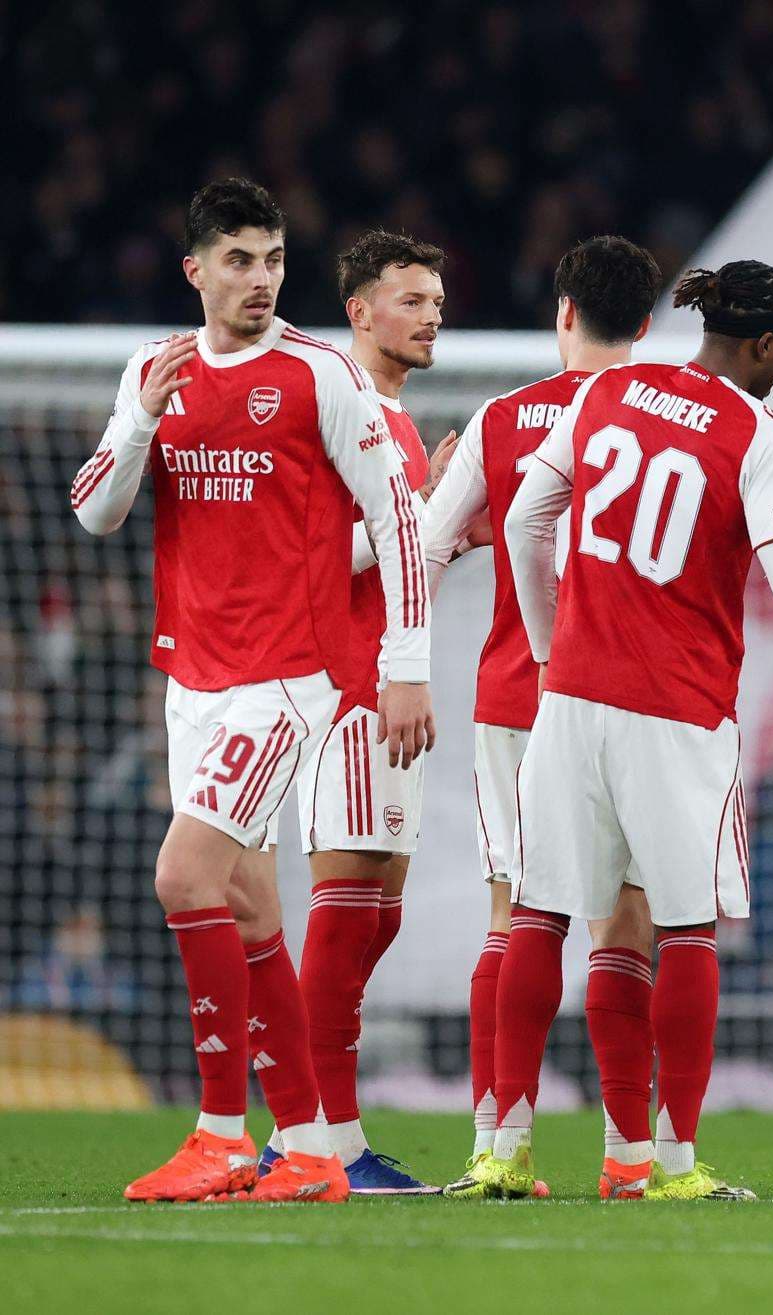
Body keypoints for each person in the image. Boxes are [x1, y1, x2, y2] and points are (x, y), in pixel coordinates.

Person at [456, 259, 773, 1202]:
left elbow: (531, 518)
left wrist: (551, 646)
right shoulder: (756, 428)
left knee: (537, 913)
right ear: (769, 343)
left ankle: (505, 1147)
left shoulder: (609, 388)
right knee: (686, 927)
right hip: (676, 708)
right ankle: (670, 1163)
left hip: (571, 696)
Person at [70, 179, 433, 1203]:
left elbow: (398, 518)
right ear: (196, 270)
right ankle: (312, 1143)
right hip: (194, 677)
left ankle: (223, 1132)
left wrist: (406, 665)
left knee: (184, 877)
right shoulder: (155, 369)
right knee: (245, 904)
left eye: (272, 258)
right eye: (238, 259)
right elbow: (96, 509)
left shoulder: (319, 374)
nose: (260, 278)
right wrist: (141, 417)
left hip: (286, 676)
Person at [420, 235, 662, 1195]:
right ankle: (631, 1155)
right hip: (638, 701)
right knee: (628, 926)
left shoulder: (503, 419)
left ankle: (499, 1142)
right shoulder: (675, 419)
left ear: (563, 311)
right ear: (645, 325)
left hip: (521, 694)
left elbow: (423, 549)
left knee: (516, 913)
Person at [257, 230, 446, 1194]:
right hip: (342, 689)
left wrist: (436, 516)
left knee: (378, 916)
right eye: (410, 299)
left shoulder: (399, 419)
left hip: (390, 687)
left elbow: (401, 555)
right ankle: (312, 1137)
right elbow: (316, 563)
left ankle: (319, 1128)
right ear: (360, 311)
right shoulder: (337, 406)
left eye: (437, 300)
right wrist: (422, 506)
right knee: (344, 913)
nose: (431, 315)